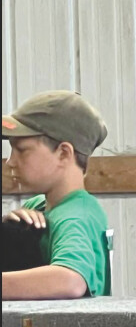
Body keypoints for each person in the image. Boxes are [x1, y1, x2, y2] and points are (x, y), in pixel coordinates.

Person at [2, 90, 110, 300]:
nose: (10, 161)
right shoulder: (40, 205)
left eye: (22, 150)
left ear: (63, 153)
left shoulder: (76, 216)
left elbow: (70, 280)